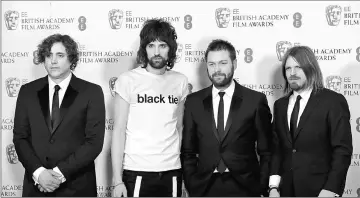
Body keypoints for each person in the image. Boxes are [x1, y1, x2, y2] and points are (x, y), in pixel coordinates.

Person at [13, 34, 105, 197]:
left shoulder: (91, 92)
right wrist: (40, 173)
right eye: (48, 55)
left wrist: (57, 175)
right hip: (36, 187)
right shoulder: (27, 91)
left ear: (71, 59)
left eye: (60, 55)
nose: (53, 61)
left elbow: (94, 142)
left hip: (77, 187)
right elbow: (20, 138)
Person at [181, 39, 272, 197]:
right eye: (212, 64)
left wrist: (261, 185)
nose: (217, 69)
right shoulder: (193, 102)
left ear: (234, 64)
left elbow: (267, 151)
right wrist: (191, 183)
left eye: (223, 63)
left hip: (245, 187)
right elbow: (188, 151)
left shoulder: (255, 101)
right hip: (204, 187)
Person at [111, 19, 189, 197]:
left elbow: (179, 128)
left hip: (172, 171)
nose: (156, 52)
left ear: (170, 49)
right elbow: (119, 130)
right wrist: (117, 180)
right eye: (151, 45)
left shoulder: (180, 81)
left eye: (162, 45)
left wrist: (184, 175)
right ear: (144, 49)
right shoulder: (127, 80)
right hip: (136, 171)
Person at [269, 46, 353, 197]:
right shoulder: (280, 105)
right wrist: (273, 187)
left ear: (311, 68)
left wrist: (331, 189)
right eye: (288, 68)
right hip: (285, 191)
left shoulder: (333, 101)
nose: (292, 73)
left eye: (298, 67)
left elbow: (342, 150)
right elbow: (277, 149)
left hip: (321, 191)